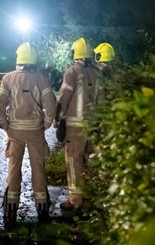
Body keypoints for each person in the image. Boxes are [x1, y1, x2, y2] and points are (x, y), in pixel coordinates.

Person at [0, 42, 57, 228]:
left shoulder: (8, 78)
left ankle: (11, 213)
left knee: (14, 169)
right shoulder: (42, 78)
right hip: (35, 131)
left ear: (18, 58)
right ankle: (43, 212)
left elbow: (0, 106)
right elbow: (51, 106)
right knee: (38, 169)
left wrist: (5, 125)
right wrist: (44, 125)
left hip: (15, 131)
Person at [55, 37, 99, 212]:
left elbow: (64, 97)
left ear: (75, 53)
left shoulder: (72, 72)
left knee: (74, 162)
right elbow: (101, 100)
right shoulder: (97, 72)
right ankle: (93, 196)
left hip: (75, 128)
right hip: (93, 125)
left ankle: (75, 200)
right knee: (91, 161)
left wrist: (57, 117)